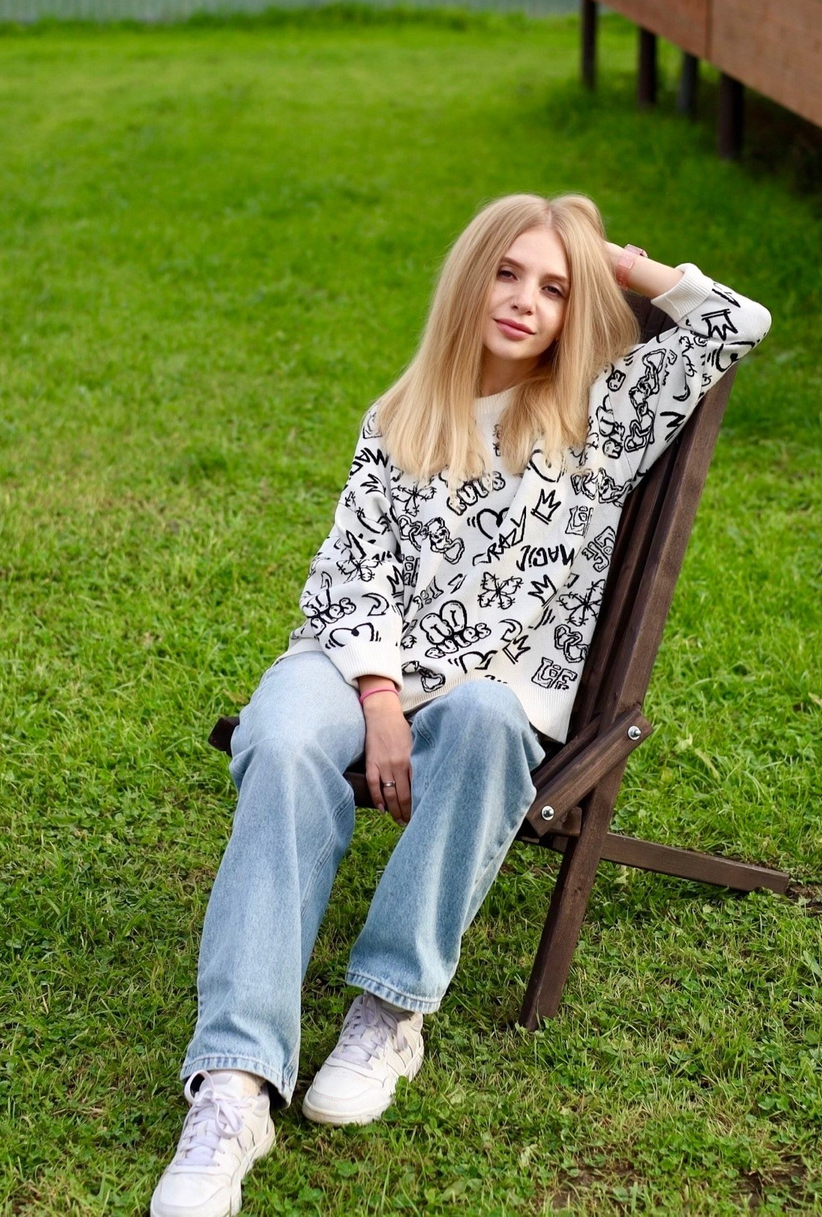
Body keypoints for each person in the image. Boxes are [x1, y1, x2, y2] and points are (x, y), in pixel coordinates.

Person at [151, 193, 771, 1217]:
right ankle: (235, 1084)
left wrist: (613, 259)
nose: (526, 300)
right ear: (469, 281)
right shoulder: (402, 417)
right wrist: (379, 699)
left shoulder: (601, 418)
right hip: (358, 666)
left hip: (489, 691)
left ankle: (389, 1011)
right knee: (286, 733)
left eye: (555, 288)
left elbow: (736, 322)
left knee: (484, 720)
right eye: (508, 273)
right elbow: (352, 575)